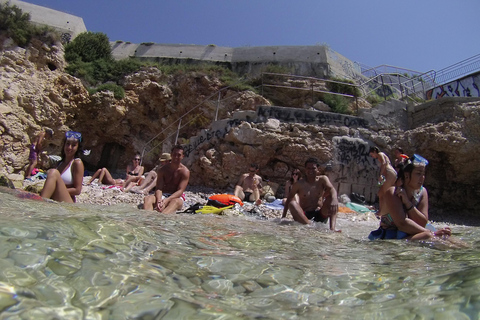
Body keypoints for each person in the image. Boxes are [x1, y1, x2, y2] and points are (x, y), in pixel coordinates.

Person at [369, 154, 452, 240]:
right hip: (390, 238)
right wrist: (432, 233)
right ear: (407, 175)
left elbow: (422, 222)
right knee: (428, 236)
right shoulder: (392, 192)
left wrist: (408, 203)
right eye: (418, 174)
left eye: (423, 174)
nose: (422, 178)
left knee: (446, 238)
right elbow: (402, 224)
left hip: (411, 235)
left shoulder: (422, 192)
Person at [282, 157, 340, 231]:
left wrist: (335, 199)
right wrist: (283, 216)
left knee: (331, 198)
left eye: (313, 168)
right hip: (305, 216)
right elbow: (289, 199)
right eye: (308, 168)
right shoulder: (299, 184)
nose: (310, 171)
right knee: (292, 203)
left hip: (320, 214)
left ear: (317, 169)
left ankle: (332, 229)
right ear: (305, 170)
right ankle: (310, 226)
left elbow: (332, 189)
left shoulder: (322, 179)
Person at [40, 131, 84, 203]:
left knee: (53, 172)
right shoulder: (59, 163)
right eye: (67, 144)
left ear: (78, 147)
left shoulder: (77, 163)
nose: (69, 147)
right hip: (56, 197)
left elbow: (77, 190)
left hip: (68, 200)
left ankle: (40, 205)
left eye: (73, 145)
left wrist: (55, 190)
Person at [143, 145, 190, 213]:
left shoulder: (185, 172)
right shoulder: (163, 170)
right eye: (174, 154)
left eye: (179, 155)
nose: (176, 157)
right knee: (148, 199)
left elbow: (180, 191)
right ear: (171, 155)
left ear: (182, 156)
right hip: (163, 195)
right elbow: (159, 188)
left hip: (176, 197)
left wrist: (166, 200)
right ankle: (146, 218)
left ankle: (163, 218)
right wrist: (159, 200)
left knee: (175, 202)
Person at [369, 146, 397, 214]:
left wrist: (381, 175)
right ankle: (381, 211)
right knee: (380, 193)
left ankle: (386, 212)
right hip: (388, 174)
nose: (372, 156)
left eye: (372, 154)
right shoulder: (380, 155)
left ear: (374, 151)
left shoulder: (380, 154)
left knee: (386, 193)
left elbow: (384, 163)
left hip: (389, 173)